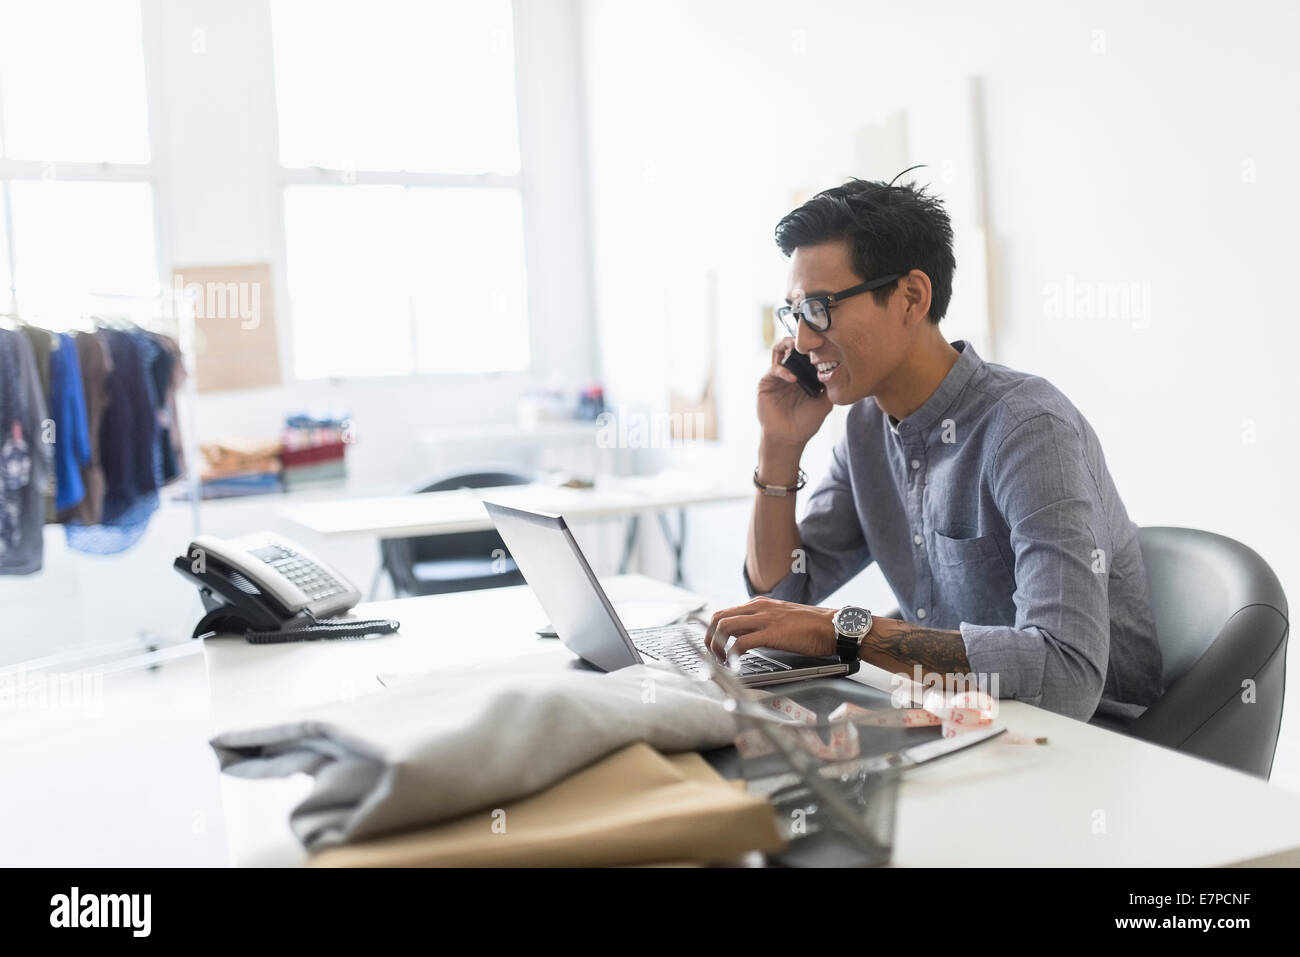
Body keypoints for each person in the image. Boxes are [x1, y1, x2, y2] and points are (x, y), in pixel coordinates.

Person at [704, 177, 1162, 724]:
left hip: (1088, 741)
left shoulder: (1029, 429)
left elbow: (1066, 674)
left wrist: (843, 631)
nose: (802, 340)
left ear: (911, 297)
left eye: (820, 309)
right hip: (960, 721)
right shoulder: (867, 429)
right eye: (795, 313)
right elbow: (783, 591)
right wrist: (779, 446)